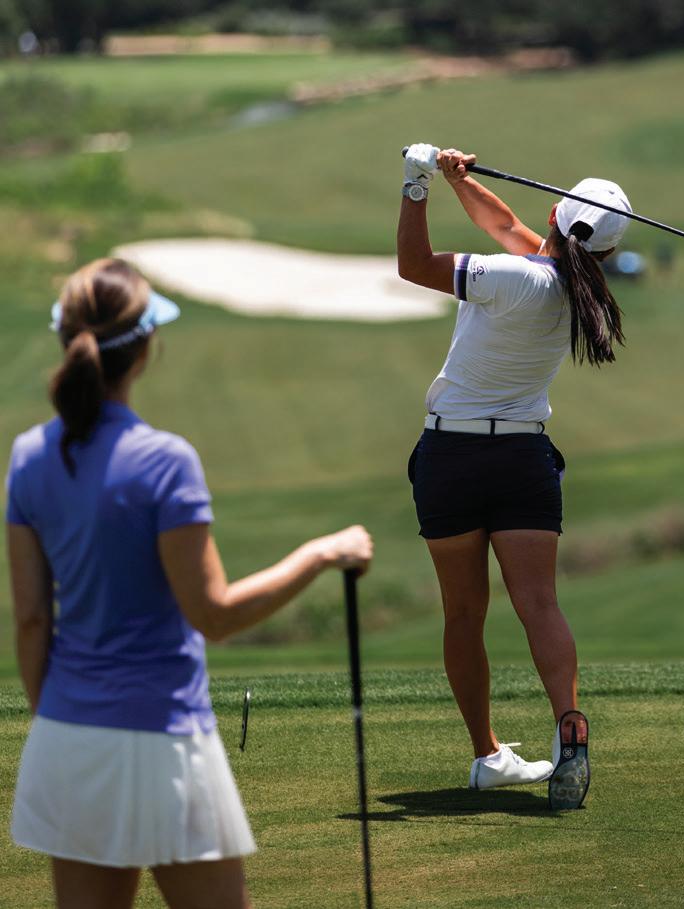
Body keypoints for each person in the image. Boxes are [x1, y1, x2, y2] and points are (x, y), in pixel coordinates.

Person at [5, 256, 373, 909]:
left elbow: (32, 619)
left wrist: (59, 723)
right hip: (164, 737)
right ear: (146, 347)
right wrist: (321, 554)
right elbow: (216, 614)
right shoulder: (165, 461)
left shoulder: (30, 456)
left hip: (67, 733)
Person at [397, 144, 629, 810]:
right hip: (524, 460)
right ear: (608, 251)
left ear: (553, 213)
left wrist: (415, 184)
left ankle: (487, 755)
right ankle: (568, 726)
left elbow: (413, 265)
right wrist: (456, 180)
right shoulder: (582, 291)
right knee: (540, 604)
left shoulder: (508, 277)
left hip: (452, 457)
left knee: (464, 612)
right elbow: (503, 227)